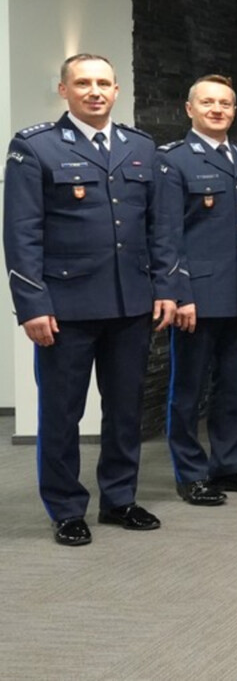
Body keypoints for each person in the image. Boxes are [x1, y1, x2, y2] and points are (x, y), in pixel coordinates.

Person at [4, 53, 179, 545]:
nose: (95, 91)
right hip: (67, 307)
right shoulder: (34, 147)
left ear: (117, 90)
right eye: (83, 83)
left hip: (131, 304)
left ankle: (120, 499)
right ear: (64, 90)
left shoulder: (141, 146)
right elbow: (21, 233)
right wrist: (33, 304)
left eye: (104, 83)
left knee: (125, 410)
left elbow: (160, 228)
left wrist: (166, 287)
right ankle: (65, 508)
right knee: (63, 414)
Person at [156, 74, 237, 506]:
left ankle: (229, 465)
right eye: (208, 102)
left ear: (234, 110)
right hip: (198, 296)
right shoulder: (172, 160)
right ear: (189, 109)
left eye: (225, 103)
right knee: (188, 392)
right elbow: (167, 235)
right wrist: (180, 293)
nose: (217, 110)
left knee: (234, 388)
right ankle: (190, 474)